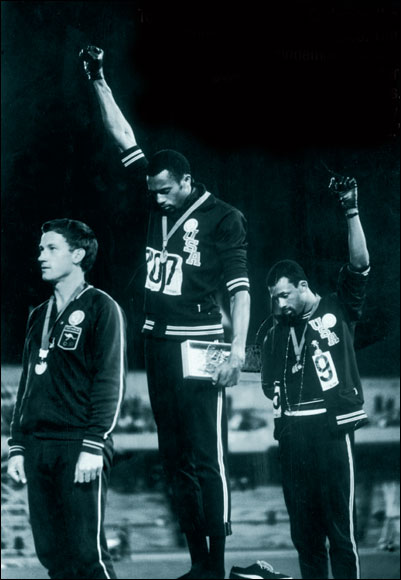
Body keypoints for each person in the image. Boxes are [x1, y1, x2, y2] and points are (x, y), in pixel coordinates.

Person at [79, 46, 251, 580]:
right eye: (150, 191)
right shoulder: (155, 188)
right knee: (173, 458)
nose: (155, 200)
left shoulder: (224, 219)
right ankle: (198, 564)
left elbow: (241, 290)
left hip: (204, 343)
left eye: (164, 191)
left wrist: (239, 350)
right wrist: (99, 80)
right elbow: (124, 136)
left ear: (185, 181)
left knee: (208, 458)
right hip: (157, 341)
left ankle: (218, 568)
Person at [230, 175, 370, 580]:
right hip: (291, 436)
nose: (278, 303)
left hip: (330, 431)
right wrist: (207, 361)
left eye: (284, 295)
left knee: (340, 536)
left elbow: (360, 265)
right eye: (273, 297)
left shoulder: (336, 308)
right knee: (305, 538)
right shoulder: (273, 331)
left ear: (303, 286)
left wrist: (351, 209)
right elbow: (247, 361)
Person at [7, 218, 126, 580]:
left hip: (79, 445)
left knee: (88, 556)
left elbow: (110, 381)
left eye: (51, 248)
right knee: (54, 558)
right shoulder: (38, 316)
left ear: (77, 254)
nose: (41, 255)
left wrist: (94, 443)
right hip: (38, 447)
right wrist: (17, 446)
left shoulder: (102, 308)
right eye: (41, 248)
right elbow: (27, 384)